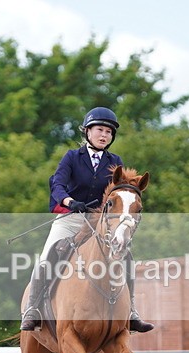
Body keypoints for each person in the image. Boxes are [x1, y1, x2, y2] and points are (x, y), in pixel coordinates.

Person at [20, 106, 154, 333]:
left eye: (109, 132)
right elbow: (58, 184)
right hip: (71, 218)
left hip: (99, 223)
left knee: (126, 257)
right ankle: (33, 308)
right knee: (47, 256)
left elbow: (119, 192)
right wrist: (70, 202)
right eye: (100, 130)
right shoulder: (72, 157)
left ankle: (131, 312)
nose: (104, 135)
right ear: (88, 132)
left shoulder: (115, 161)